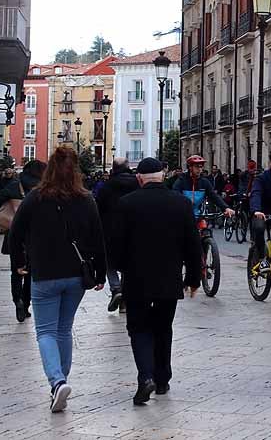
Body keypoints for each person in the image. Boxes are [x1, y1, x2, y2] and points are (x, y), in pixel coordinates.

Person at [7, 147, 106, 413]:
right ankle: (59, 383)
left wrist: (18, 264)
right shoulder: (86, 199)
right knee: (64, 329)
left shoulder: (35, 198)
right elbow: (98, 238)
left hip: (44, 274)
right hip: (76, 275)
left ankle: (57, 381)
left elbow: (14, 234)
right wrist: (101, 273)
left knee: (46, 331)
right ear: (76, 171)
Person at [112, 158, 202, 405]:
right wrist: (194, 278)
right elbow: (193, 245)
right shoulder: (181, 204)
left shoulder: (127, 204)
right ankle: (162, 379)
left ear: (139, 178)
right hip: (169, 279)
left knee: (139, 328)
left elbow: (116, 245)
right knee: (164, 328)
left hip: (137, 279)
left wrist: (120, 268)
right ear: (163, 176)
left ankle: (145, 377)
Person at [0, 160, 46, 323]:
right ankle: (26, 304)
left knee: (16, 270)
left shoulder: (14, 185)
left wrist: (3, 223)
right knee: (31, 273)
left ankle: (18, 302)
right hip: (36, 237)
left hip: (15, 235)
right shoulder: (43, 188)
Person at [96, 158, 139, 314]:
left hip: (111, 230)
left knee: (109, 262)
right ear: (128, 167)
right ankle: (124, 302)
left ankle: (116, 289)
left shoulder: (107, 186)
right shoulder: (137, 183)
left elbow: (98, 208)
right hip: (133, 229)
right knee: (128, 263)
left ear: (113, 169)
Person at [172, 155, 234, 220]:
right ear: (190, 167)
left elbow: (214, 196)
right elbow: (175, 195)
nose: (199, 169)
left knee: (204, 228)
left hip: (198, 215)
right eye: (196, 167)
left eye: (201, 167)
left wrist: (226, 208)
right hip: (183, 215)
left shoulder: (204, 182)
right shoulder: (182, 180)